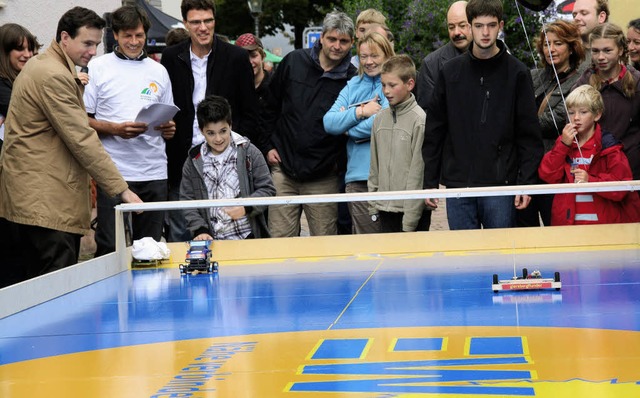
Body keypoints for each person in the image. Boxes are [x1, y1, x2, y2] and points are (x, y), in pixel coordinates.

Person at [0, 7, 142, 288]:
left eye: (97, 44)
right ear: (64, 37)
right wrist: (122, 189)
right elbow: (82, 137)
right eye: (87, 43)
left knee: (33, 293)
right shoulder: (52, 74)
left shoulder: (48, 67)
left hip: (38, 201)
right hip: (46, 206)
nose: (93, 51)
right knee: (53, 295)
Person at [422, 0, 543, 230]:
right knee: (465, 258)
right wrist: (429, 182)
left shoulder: (517, 73)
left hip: (500, 185)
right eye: (478, 25)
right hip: (459, 184)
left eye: (491, 25)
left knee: (500, 258)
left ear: (501, 26)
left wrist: (526, 183)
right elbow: (434, 129)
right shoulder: (450, 72)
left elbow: (528, 134)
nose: (485, 32)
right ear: (469, 26)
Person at [161, 0, 259, 242]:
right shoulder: (171, 57)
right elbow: (164, 104)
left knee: (228, 232)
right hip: (182, 157)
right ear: (185, 24)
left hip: (225, 157)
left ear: (215, 21)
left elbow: (250, 112)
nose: (203, 27)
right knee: (181, 232)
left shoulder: (235, 57)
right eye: (196, 22)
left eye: (208, 21)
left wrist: (233, 149)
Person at [83, 5, 176, 256]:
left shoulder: (159, 71)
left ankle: (148, 296)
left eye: (139, 35)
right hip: (113, 172)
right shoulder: (98, 67)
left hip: (154, 170)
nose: (134, 42)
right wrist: (114, 129)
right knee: (109, 248)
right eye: (127, 36)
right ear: (115, 35)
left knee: (151, 248)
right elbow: (82, 120)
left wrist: (169, 128)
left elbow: (167, 119)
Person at [263, 11, 357, 237]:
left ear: (352, 43)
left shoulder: (353, 79)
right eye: (332, 39)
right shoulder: (294, 61)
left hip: (323, 177)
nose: (337, 46)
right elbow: (268, 107)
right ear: (321, 37)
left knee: (325, 246)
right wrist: (267, 145)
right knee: (280, 242)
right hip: (283, 170)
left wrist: (337, 164)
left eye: (344, 41)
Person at [324, 32, 394, 234]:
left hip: (389, 177)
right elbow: (329, 122)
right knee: (366, 247)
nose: (369, 62)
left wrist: (347, 128)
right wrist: (360, 112)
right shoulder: (352, 86)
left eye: (375, 56)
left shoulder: (391, 85)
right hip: (358, 178)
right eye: (364, 56)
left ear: (387, 55)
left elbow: (382, 122)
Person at [539, 84, 640, 225]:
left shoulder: (609, 146)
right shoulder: (564, 142)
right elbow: (547, 174)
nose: (576, 118)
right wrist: (563, 145)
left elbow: (622, 187)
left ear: (597, 115)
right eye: (571, 112)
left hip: (603, 225)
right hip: (568, 224)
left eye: (583, 112)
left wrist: (590, 181)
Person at [180, 95, 274, 240]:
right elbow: (187, 200)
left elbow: (267, 189)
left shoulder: (249, 152)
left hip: (246, 236)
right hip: (211, 239)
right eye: (211, 133)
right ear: (201, 130)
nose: (218, 139)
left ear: (230, 125)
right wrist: (200, 229)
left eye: (223, 131)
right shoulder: (193, 160)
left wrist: (246, 207)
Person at [520, 19, 585, 227]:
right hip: (528, 167)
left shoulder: (580, 80)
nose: (551, 49)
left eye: (558, 43)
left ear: (571, 47)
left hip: (557, 170)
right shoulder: (533, 77)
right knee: (525, 233)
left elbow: (557, 119)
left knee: (555, 228)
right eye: (546, 44)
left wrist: (521, 123)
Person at [369, 55, 431, 233]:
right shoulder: (379, 119)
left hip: (410, 211)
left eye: (392, 85)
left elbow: (417, 173)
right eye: (383, 85)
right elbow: (375, 165)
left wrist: (410, 221)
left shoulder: (419, 120)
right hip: (385, 208)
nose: (386, 91)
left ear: (409, 84)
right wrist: (373, 204)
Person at [573, 22, 640, 179]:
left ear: (621, 50)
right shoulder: (583, 84)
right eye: (595, 51)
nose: (601, 57)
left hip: (631, 170)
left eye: (607, 50)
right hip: (593, 172)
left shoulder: (637, 82)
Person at [416, 1, 472, 110]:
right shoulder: (431, 64)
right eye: (451, 27)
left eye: (462, 25)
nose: (456, 32)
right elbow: (426, 112)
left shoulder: (493, 54)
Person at [0, 23, 40, 153]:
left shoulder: (23, 78)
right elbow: (29, 115)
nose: (28, 55)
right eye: (20, 49)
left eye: (30, 49)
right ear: (4, 51)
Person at [234, 33, 272, 118]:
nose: (249, 62)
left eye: (254, 56)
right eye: (244, 57)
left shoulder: (275, 86)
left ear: (263, 57)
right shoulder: (232, 87)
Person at [572, 0, 609, 73]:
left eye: (584, 13)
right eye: (574, 15)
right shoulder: (569, 52)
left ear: (601, 17)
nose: (576, 18)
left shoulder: (614, 55)